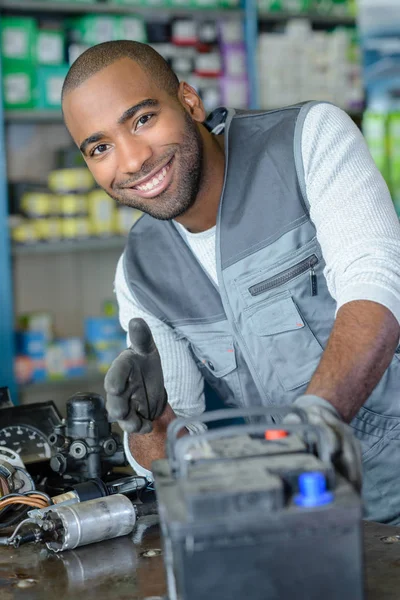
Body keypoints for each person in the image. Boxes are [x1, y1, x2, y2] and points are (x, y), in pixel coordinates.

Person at [62, 40, 400, 524]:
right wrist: (151, 425)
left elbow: (376, 282)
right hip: (293, 521)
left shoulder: (306, 141)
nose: (132, 160)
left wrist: (314, 422)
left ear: (190, 101)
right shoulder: (141, 272)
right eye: (100, 148)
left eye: (142, 120)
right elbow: (179, 453)